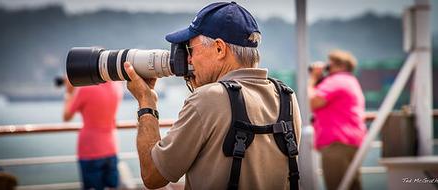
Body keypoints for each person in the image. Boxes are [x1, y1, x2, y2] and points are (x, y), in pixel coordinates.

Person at [124, 2, 302, 190]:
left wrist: (146, 101)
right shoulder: (286, 96)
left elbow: (153, 176)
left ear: (219, 49)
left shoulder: (208, 99)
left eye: (191, 50)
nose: (189, 59)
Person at [307, 50, 366, 190]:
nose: (328, 68)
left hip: (337, 143)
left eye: (330, 65)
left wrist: (313, 79)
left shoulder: (336, 80)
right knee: (352, 186)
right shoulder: (350, 80)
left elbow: (313, 101)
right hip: (350, 141)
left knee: (337, 186)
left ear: (340, 65)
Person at [63, 78, 123, 190]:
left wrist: (69, 92)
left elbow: (67, 116)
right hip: (111, 148)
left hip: (90, 150)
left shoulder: (85, 89)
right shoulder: (117, 85)